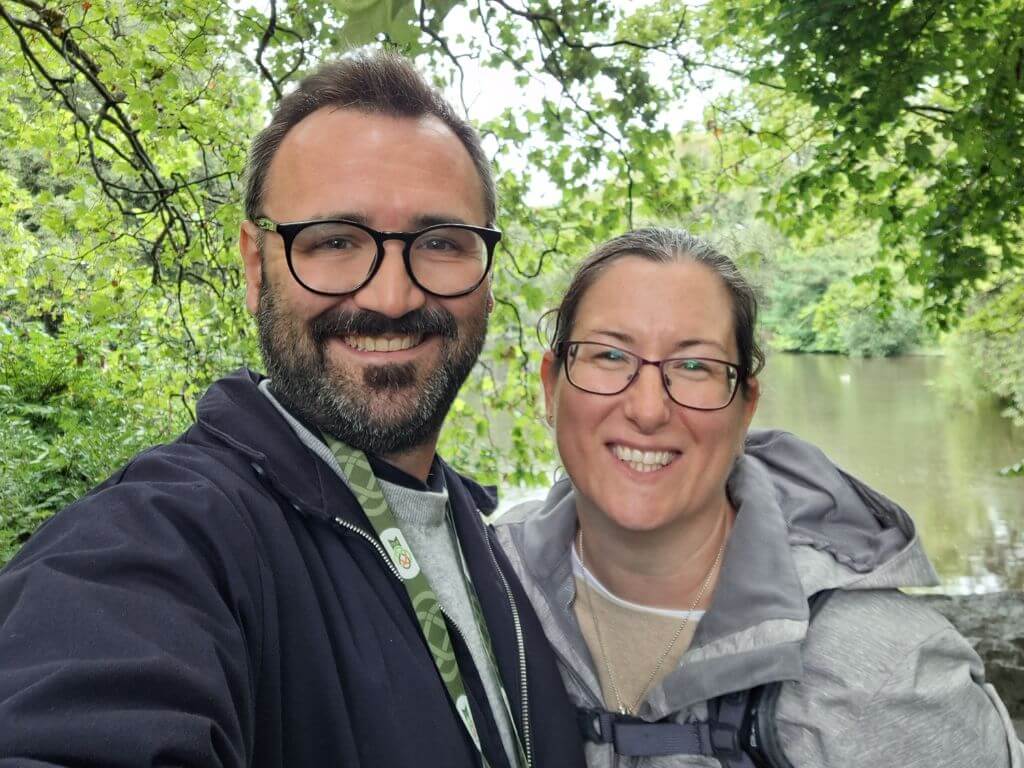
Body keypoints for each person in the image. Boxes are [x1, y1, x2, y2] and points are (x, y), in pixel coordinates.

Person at [0, 51, 585, 768]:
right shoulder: (168, 536)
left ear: (488, 275)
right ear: (255, 266)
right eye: (335, 242)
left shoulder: (503, 551)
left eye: (439, 243)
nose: (392, 297)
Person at [494, 227, 1024, 768]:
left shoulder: (885, 671)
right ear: (550, 386)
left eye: (694, 365)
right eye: (609, 354)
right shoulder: (483, 589)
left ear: (745, 408)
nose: (648, 409)